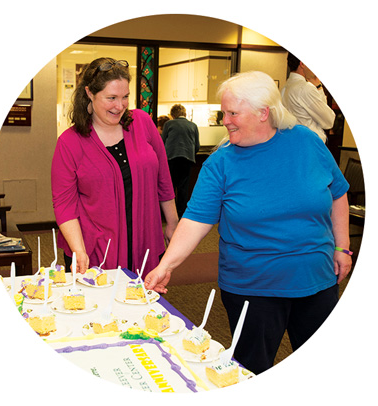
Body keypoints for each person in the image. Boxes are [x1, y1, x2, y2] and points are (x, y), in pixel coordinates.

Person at [145, 71, 352, 375]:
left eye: (232, 113)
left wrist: (342, 247)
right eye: (223, 112)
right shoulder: (221, 162)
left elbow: (337, 194)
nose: (225, 120)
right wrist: (166, 267)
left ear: (263, 113)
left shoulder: (306, 141)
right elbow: (194, 221)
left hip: (316, 280)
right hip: (253, 288)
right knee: (253, 371)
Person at [51, 57, 178, 277]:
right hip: (94, 249)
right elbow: (64, 203)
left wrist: (173, 223)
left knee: (142, 304)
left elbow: (163, 178)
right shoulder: (69, 142)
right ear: (90, 93)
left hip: (144, 241)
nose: (120, 106)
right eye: (111, 98)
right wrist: (78, 249)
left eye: (125, 97)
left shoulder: (142, 122)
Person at [281, 52, 336, 143]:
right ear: (302, 63)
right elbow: (329, 121)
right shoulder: (305, 88)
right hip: (310, 144)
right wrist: (318, 86)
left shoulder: (285, 87)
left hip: (294, 142)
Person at [161, 104, 200, 218]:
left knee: (170, 186)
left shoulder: (168, 124)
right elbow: (197, 145)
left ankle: (169, 214)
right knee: (183, 187)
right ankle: (181, 212)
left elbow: (162, 143)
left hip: (171, 158)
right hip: (187, 159)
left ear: (172, 114)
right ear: (185, 113)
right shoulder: (193, 125)